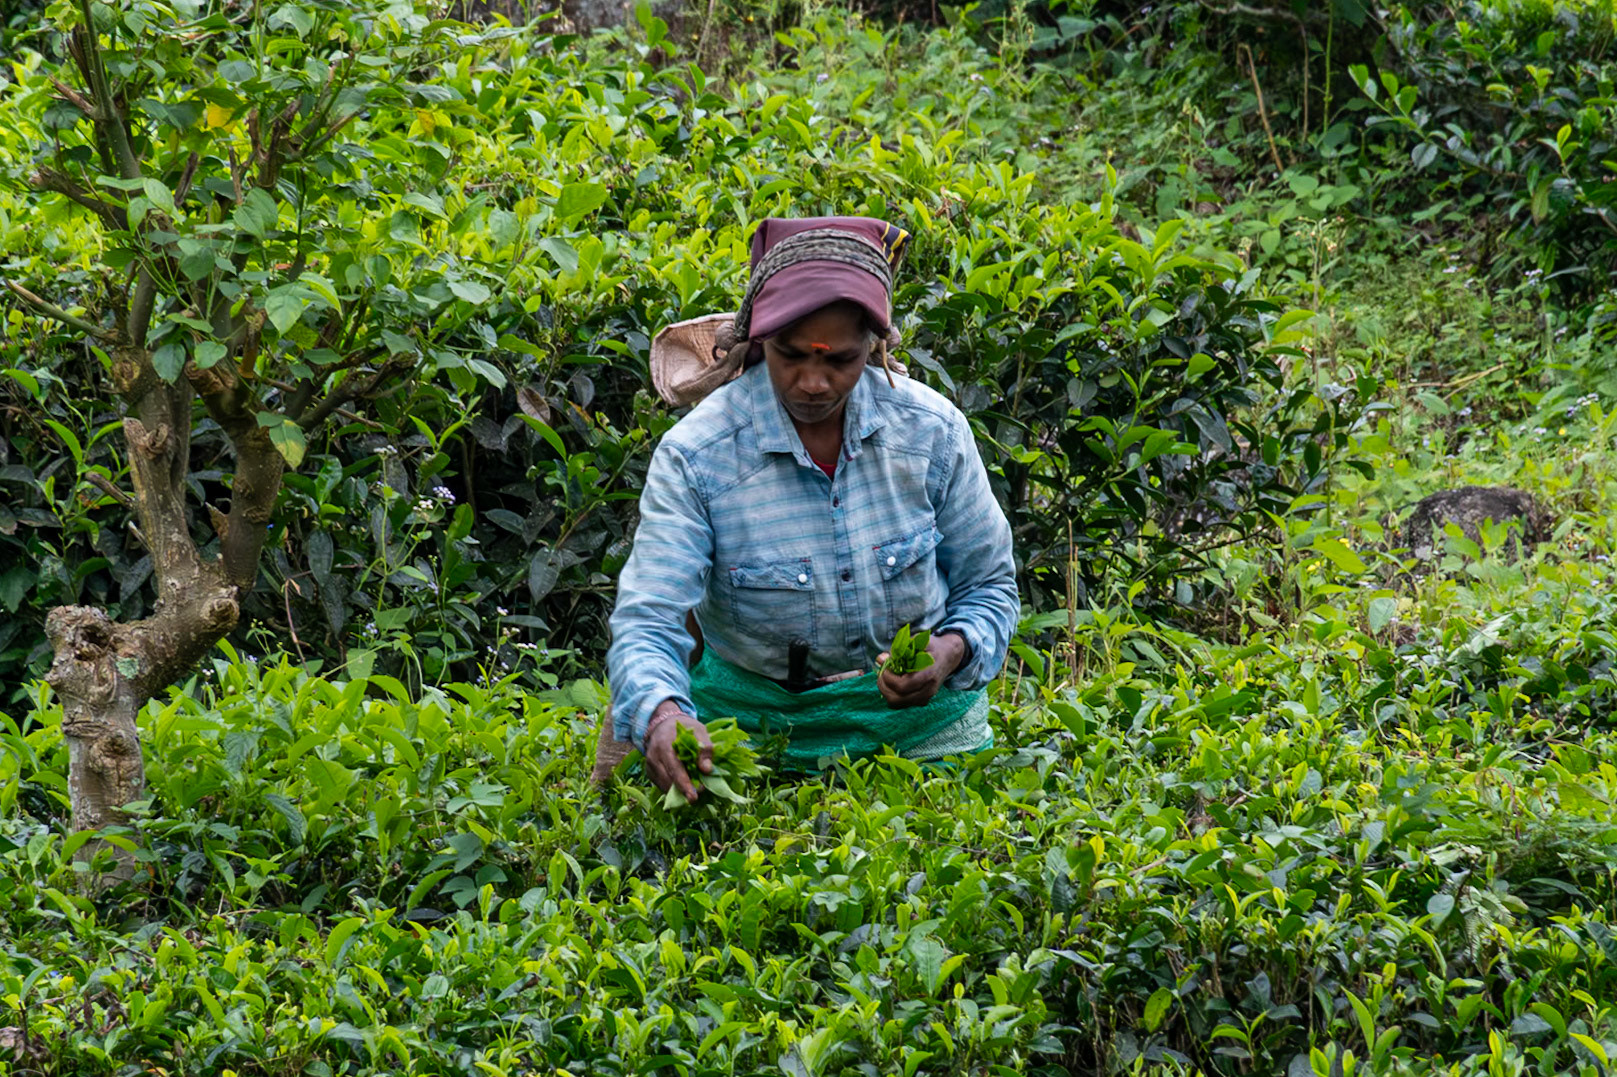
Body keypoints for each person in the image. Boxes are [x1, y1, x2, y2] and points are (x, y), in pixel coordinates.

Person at [604, 216, 1018, 801]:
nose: (814, 382)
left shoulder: (932, 433)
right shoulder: (700, 455)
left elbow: (989, 584)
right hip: (751, 731)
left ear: (874, 347)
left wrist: (949, 652)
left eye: (840, 361)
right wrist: (664, 714)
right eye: (791, 356)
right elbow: (651, 617)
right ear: (759, 341)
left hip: (921, 731)